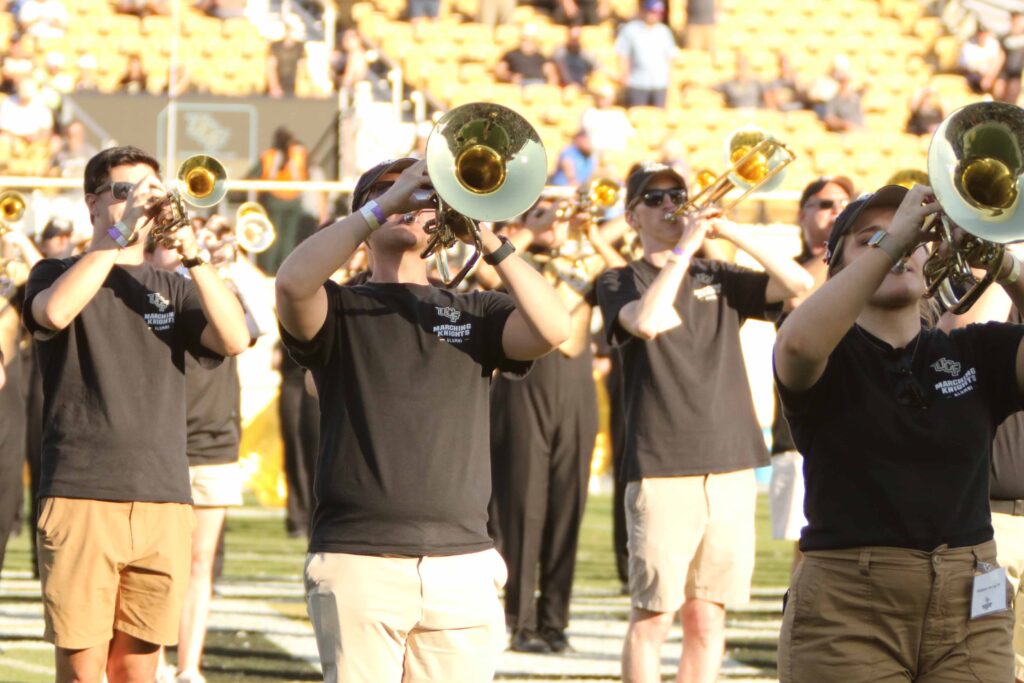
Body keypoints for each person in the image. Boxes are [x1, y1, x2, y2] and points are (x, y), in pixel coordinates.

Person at [274, 157, 570, 682]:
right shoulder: (337, 307)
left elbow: (552, 329)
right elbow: (293, 283)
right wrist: (387, 203)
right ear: (363, 213)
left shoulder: (478, 310)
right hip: (358, 557)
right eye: (390, 191)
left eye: (427, 195)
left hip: (462, 559)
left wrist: (485, 235)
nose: (414, 200)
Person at [773, 183, 1024, 680]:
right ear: (841, 269)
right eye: (871, 238)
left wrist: (1007, 266)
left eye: (913, 239)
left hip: (971, 597)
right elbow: (797, 347)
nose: (900, 245)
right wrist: (897, 238)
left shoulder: (975, 351)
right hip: (847, 605)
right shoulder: (824, 352)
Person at [22, 146, 250, 683]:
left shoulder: (173, 286)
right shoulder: (54, 271)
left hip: (163, 496)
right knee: (82, 672)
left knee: (137, 672)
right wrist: (118, 238)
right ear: (93, 204)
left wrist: (194, 252)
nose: (138, 202)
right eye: (123, 191)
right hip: (81, 492)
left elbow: (235, 337)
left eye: (148, 190)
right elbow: (54, 312)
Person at [596, 163, 812, 683]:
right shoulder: (616, 279)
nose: (670, 204)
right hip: (662, 465)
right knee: (652, 616)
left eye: (678, 195)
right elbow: (647, 321)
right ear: (632, 216)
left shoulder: (718, 275)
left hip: (732, 462)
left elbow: (799, 283)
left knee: (707, 616)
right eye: (655, 198)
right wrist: (684, 249)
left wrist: (727, 229)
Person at [484, 199, 626, 654]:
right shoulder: (511, 258)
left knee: (569, 506)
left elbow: (626, 279)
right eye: (541, 210)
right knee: (522, 505)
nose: (553, 219)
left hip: (577, 390)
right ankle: (519, 618)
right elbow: (476, 276)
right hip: (522, 388)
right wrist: (525, 230)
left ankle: (554, 621)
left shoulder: (585, 259)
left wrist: (593, 232)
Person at [145, 232, 252, 683]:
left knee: (198, 561)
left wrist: (224, 268)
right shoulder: (145, 296)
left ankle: (188, 666)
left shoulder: (220, 288)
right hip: (156, 444)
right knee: (152, 562)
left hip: (212, 442)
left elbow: (252, 329)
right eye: (168, 245)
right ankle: (153, 660)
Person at [768, 176, 853, 573]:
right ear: (801, 214)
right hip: (806, 425)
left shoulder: (860, 268)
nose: (836, 209)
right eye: (825, 204)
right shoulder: (791, 272)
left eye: (844, 203)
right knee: (809, 543)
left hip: (855, 416)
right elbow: (798, 294)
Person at [257, 127, 309, 275]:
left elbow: (299, 177)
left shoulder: (296, 154)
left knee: (287, 238)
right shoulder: (271, 155)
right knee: (275, 237)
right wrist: (279, 161)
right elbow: (268, 178)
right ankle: (271, 271)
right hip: (277, 200)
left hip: (290, 201)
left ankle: (281, 271)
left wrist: (289, 161)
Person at [615, 0, 678, 108]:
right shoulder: (631, 30)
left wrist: (669, 79)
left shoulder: (664, 31)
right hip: (637, 82)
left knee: (658, 119)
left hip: (659, 83)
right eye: (653, 11)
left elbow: (670, 57)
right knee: (638, 116)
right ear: (644, 11)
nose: (656, 15)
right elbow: (623, 54)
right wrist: (624, 74)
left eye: (659, 12)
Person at [959, 26, 1002, 95]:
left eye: (984, 33)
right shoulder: (968, 45)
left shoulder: (993, 44)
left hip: (989, 76)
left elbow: (997, 62)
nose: (982, 36)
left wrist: (989, 77)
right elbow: (963, 66)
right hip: (972, 76)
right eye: (980, 33)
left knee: (998, 86)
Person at [267, 22, 305, 98]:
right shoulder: (276, 46)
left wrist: (301, 86)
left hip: (292, 85)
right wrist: (274, 86)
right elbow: (271, 67)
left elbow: (302, 66)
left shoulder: (299, 47)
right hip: (278, 85)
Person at [822, 64, 864, 132]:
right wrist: (844, 125)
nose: (844, 84)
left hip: (859, 132)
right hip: (843, 134)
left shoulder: (855, 98)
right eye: (842, 81)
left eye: (846, 81)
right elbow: (829, 119)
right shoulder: (833, 100)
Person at [995, 12, 1024, 105]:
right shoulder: (1005, 38)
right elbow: (1000, 57)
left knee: (1011, 100)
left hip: (1016, 75)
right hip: (1004, 73)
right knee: (998, 95)